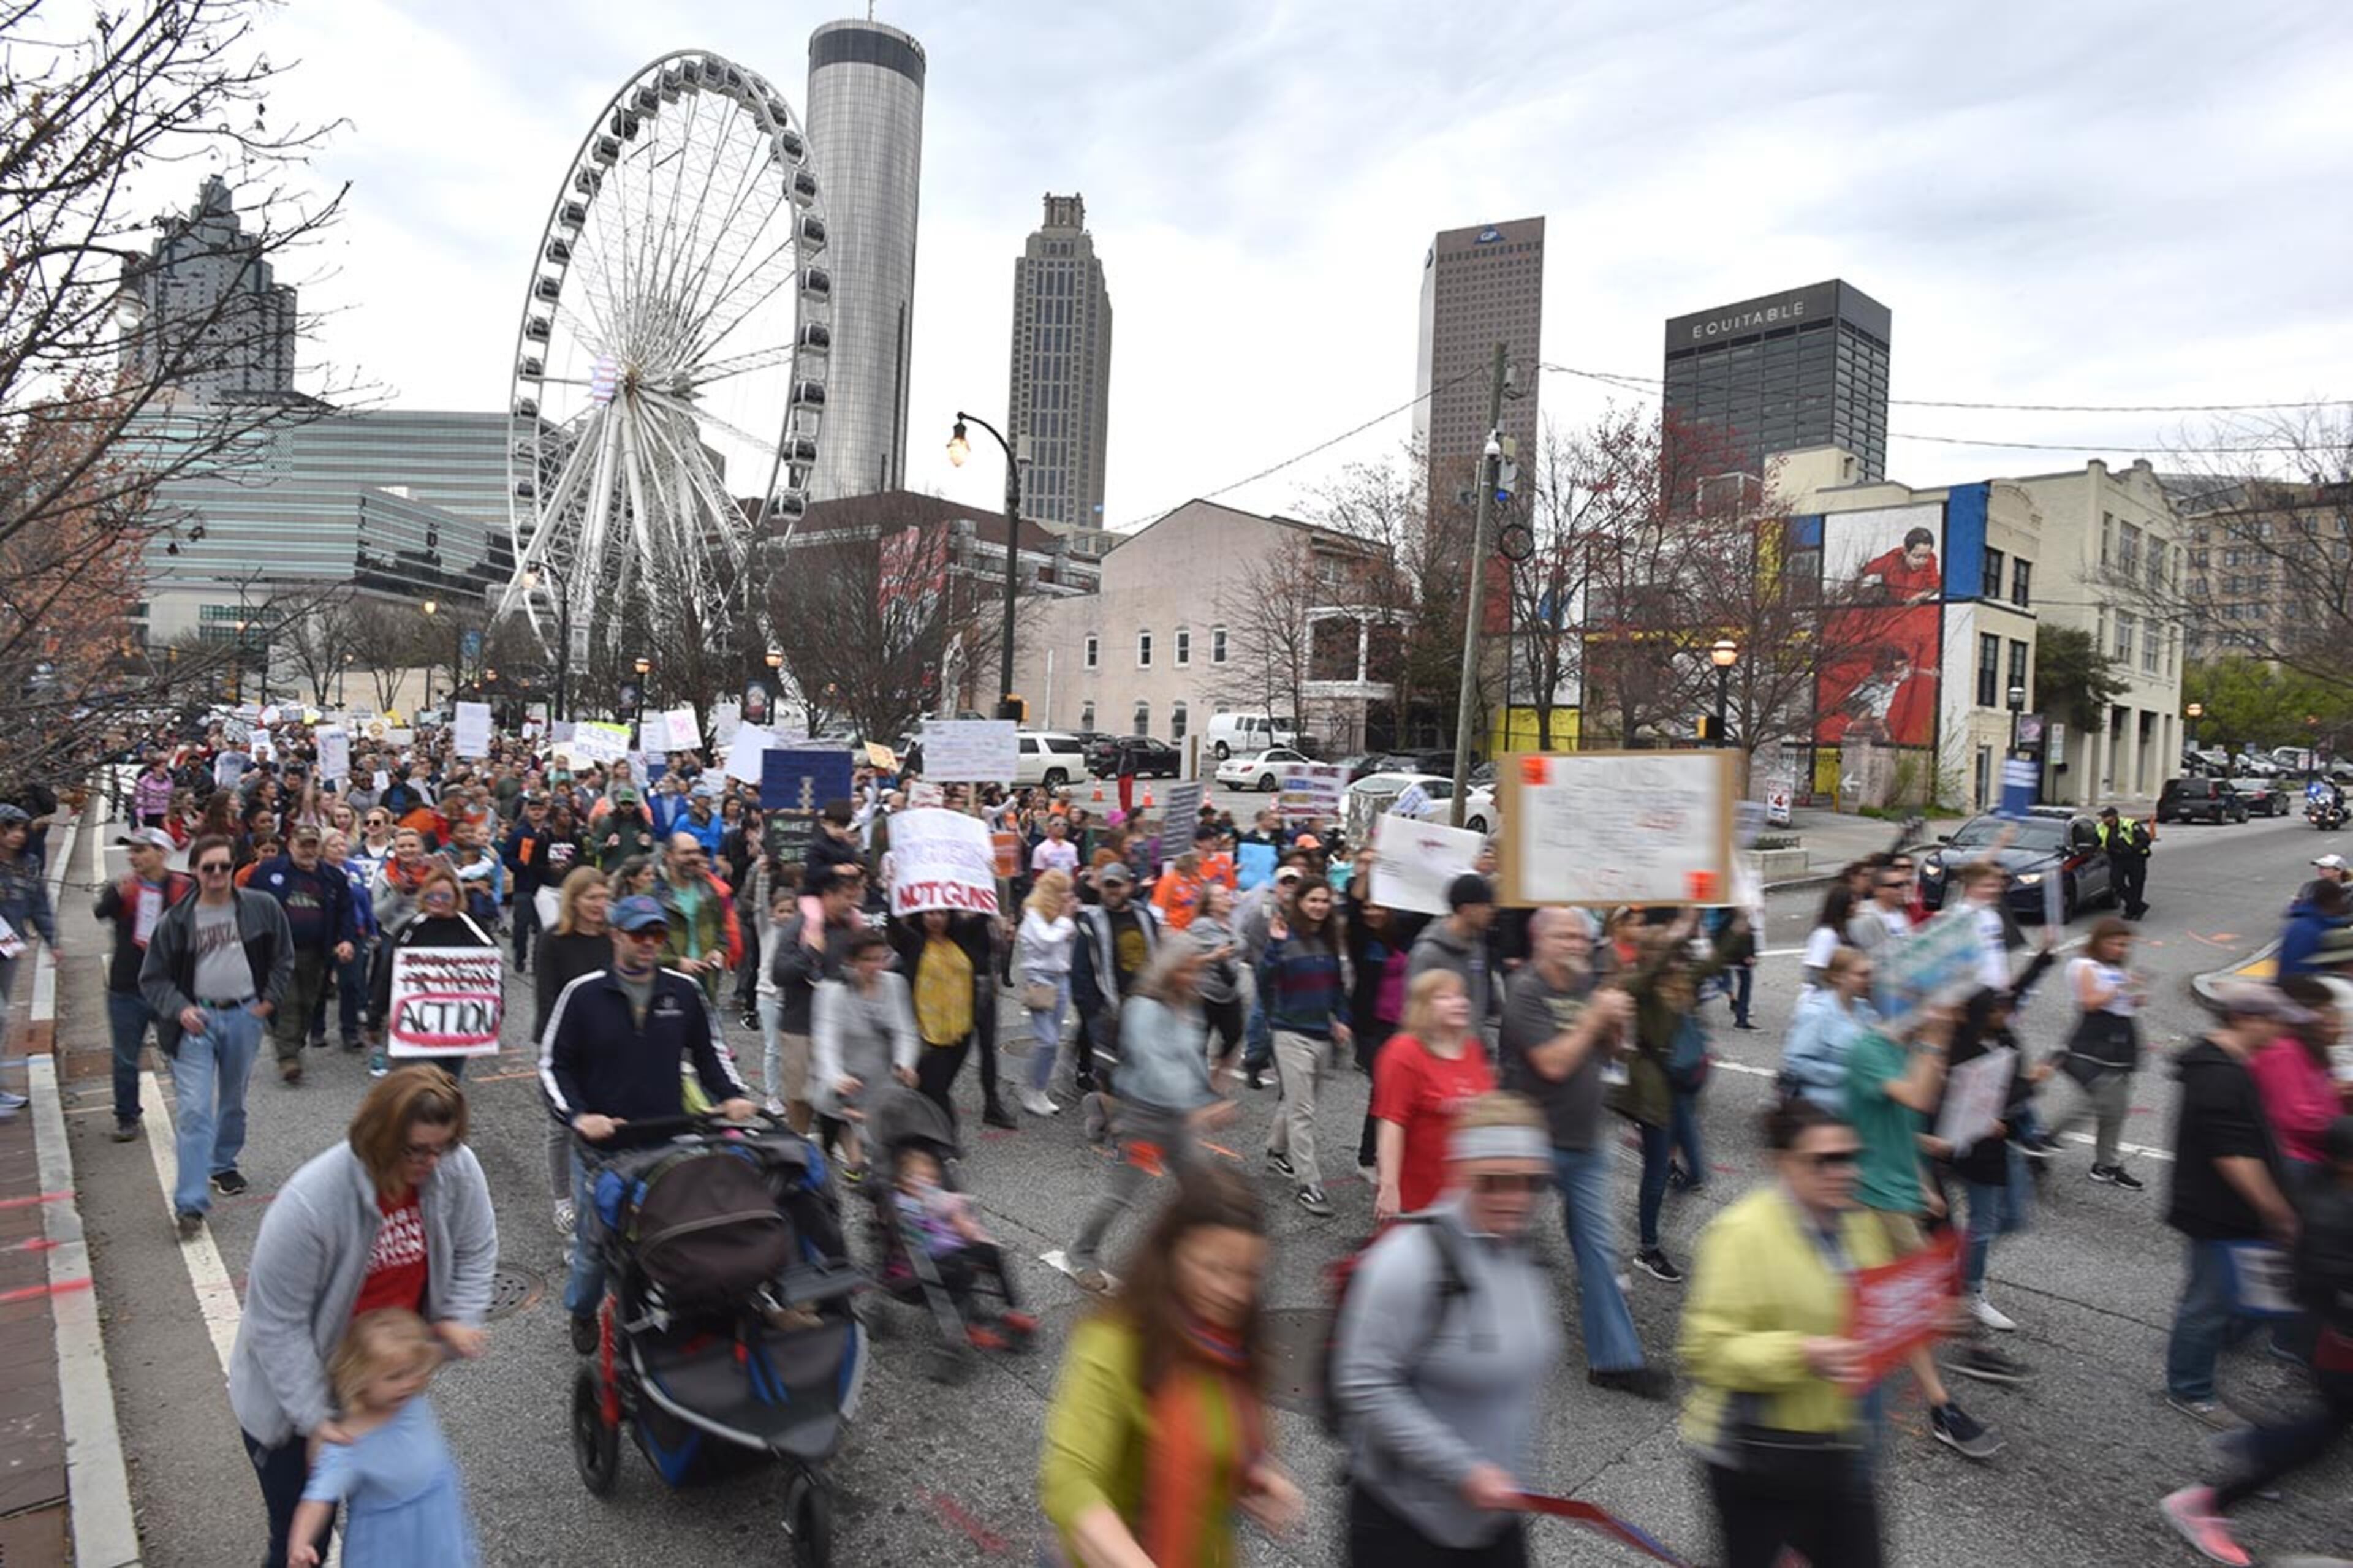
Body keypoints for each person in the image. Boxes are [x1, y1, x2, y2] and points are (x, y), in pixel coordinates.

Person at [229, 1068, 494, 1568]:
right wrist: (316, 1417)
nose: (429, 1162)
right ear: (379, 1136)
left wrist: (460, 1314)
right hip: (293, 1398)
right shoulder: (311, 1202)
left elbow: (477, 1247)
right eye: (415, 1150)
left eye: (441, 1147)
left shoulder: (453, 1168)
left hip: (380, 1381)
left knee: (396, 1521)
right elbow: (276, 1324)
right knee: (301, 1539)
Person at [1333, 1093, 1561, 1566]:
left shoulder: (1523, 1253)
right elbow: (1364, 1384)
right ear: (1461, 1171)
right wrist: (1464, 1470)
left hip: (1494, 1518)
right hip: (1405, 1526)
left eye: (1529, 1181)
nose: (1514, 1197)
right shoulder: (1410, 1261)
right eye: (1493, 1181)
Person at [1039, 1165, 1301, 1566]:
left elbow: (1228, 1432)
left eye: (1247, 1273)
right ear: (1172, 1255)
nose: (1233, 1290)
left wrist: (1258, 1472)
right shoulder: (1114, 1342)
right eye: (1215, 1268)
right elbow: (1068, 1481)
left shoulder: (1229, 1346)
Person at [540, 894, 757, 1353]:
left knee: (686, 1230)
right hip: (604, 1151)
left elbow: (711, 1054)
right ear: (615, 934)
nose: (649, 943)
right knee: (593, 1251)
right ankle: (582, 1308)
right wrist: (581, 1116)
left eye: (657, 934)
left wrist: (734, 1097)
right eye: (639, 933)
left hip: (668, 1142)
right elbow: (552, 1065)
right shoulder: (583, 994)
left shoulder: (683, 990)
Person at [1680, 1100, 1891, 1568]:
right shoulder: (1741, 1233)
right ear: (1781, 1163)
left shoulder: (1859, 1225)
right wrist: (1803, 1353)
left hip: (1843, 1449)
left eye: (1849, 1157)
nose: (1842, 1171)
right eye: (1824, 1160)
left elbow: (1877, 1309)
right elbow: (1706, 1350)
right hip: (1759, 1460)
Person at [2161, 1114, 2353, 1567]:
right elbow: (2329, 1284)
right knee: (2322, 1438)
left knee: (2326, 1434)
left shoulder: (2338, 1197)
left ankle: (2259, 1447)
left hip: (2334, 1342)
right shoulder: (2331, 1211)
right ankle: (2209, 1501)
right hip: (2339, 1346)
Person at [1496, 907, 1668, 1397]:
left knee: (1599, 1251)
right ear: (1539, 940)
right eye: (1565, 935)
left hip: (1585, 1141)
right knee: (1500, 1244)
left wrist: (1616, 1028)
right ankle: (1481, 1346)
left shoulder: (1586, 984)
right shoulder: (1526, 990)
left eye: (1581, 934)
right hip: (1531, 1141)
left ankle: (1614, 1359)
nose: (1576, 942)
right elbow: (1552, 1063)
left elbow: (1608, 1056)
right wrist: (1597, 1016)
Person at [1841, 1000, 2001, 1458]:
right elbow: (1914, 1096)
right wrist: (1936, 1034)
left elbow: (1906, 1118)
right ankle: (1940, 1406)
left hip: (1897, 1194)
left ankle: (1925, 1399)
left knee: (1887, 1298)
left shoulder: (1906, 1051)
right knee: (1901, 1300)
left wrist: (1925, 1170)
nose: (1941, 1012)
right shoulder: (1869, 1049)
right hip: (1867, 1197)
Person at [2163, 980, 2307, 1428]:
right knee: (2206, 1301)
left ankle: (2198, 1365)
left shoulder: (2228, 1063)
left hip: (2218, 1207)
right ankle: (2191, 1389)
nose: (2282, 1030)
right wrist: (2276, 1209)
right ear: (2247, 1018)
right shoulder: (2220, 1074)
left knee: (2212, 1296)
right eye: (2276, 1020)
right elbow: (2234, 1155)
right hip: (2216, 1210)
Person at [140, 834, 294, 1238]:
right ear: (194, 870)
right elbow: (152, 977)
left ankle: (223, 1162)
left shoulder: (261, 907)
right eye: (208, 867)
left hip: (244, 1014)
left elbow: (283, 956)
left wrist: (268, 1001)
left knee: (233, 1100)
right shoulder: (176, 921)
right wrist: (180, 1008)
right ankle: (190, 1204)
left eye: (224, 866)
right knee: (193, 1110)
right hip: (197, 1021)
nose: (216, 875)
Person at [1065, 944, 1233, 1293]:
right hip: (1142, 1116)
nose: (1192, 977)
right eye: (1185, 970)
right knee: (1118, 1194)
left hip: (1178, 1119)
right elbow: (1154, 1064)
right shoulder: (1144, 1008)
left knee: (1201, 1188)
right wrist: (1196, 1105)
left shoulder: (1189, 1007)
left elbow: (1192, 1061)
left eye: (1195, 970)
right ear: (1168, 972)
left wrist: (1207, 1099)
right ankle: (1081, 1253)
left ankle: (1198, 1260)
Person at [285, 1308, 480, 1568]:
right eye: (394, 1377)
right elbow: (317, 1500)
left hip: (437, 1521)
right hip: (390, 1543)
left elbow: (429, 1354)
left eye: (412, 1372)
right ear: (361, 1377)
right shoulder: (347, 1441)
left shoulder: (409, 1401)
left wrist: (450, 1330)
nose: (408, 1383)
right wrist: (300, 1543)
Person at [1260, 873, 1352, 1218]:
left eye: (1324, 900)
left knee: (1299, 1101)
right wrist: (1273, 947)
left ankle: (1275, 1151)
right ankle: (1308, 1185)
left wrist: (1342, 1019)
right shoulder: (1284, 938)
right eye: (1312, 900)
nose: (1319, 906)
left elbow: (1338, 990)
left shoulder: (1329, 942)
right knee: (1303, 1111)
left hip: (1321, 1035)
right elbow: (1263, 981)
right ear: (1300, 902)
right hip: (1290, 1034)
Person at [1372, 969, 1495, 1222]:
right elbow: (1392, 1122)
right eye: (1445, 997)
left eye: (1461, 996)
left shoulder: (1472, 1048)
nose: (1459, 1003)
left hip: (1468, 1200)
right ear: (1423, 1007)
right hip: (1420, 1201)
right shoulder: (1404, 1052)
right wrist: (1389, 1186)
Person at [94, 827, 192, 1141]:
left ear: (162, 853)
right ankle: (127, 1116)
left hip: (168, 988)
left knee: (181, 1054)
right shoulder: (125, 888)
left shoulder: (184, 888)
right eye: (131, 851)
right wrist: (117, 894)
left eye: (141, 850)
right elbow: (100, 913)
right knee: (125, 1057)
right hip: (126, 986)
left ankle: (193, 1112)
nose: (133, 857)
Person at [533, 866, 613, 1237]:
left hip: (607, 1043)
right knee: (561, 1126)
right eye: (592, 897)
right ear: (574, 900)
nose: (600, 904)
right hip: (564, 1043)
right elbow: (547, 998)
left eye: (604, 897)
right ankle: (563, 1200)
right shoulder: (553, 940)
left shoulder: (614, 938)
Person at [248, 824, 359, 1086]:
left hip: (317, 951)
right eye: (303, 845)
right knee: (289, 1001)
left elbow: (346, 911)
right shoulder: (269, 872)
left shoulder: (333, 877)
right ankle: (288, 1057)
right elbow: (249, 905)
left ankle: (292, 1043)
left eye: (313, 845)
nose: (308, 851)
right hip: (279, 951)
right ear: (291, 846)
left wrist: (346, 940)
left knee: (309, 1003)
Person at [368, 863, 495, 1083]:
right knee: (420, 1082)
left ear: (456, 898)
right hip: (418, 1026)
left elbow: (491, 971)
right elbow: (389, 973)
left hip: (458, 1024)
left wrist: (495, 1010)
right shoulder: (410, 929)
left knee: (450, 1081)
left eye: (444, 897)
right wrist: (375, 1016)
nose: (437, 901)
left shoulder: (474, 927)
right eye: (431, 896)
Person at [811, 928, 919, 1176]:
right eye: (868, 960)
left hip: (880, 1070)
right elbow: (826, 1039)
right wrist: (836, 1078)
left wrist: (905, 1064)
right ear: (852, 961)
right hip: (845, 1071)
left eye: (880, 958)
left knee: (882, 1133)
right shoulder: (833, 991)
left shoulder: (894, 984)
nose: (876, 966)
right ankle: (853, 1162)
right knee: (843, 1116)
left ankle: (871, 1169)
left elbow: (905, 1029)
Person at [893, 1149, 1030, 1344]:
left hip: (954, 1245)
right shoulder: (903, 1204)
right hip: (929, 1256)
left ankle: (1012, 1308)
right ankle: (969, 1323)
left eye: (932, 1178)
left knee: (992, 1253)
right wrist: (927, 1205)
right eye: (920, 1178)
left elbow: (952, 1209)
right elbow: (913, 1231)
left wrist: (962, 1219)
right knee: (959, 1270)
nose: (928, 1183)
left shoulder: (935, 1196)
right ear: (904, 1181)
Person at [2054, 917, 2148, 1189]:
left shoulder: (2111, 968)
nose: (2121, 950)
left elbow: (2116, 1002)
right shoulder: (2084, 965)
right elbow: (2090, 1003)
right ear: (2100, 941)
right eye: (2116, 943)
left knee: (2115, 1109)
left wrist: (2132, 998)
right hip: (2094, 1045)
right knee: (2101, 1102)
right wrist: (2120, 988)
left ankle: (2106, 1164)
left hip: (2120, 1043)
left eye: (2125, 945)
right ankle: (2046, 1139)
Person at [769, 864, 864, 1134]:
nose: (852, 902)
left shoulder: (854, 927)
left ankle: (848, 1157)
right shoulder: (800, 926)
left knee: (839, 1093)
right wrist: (810, 952)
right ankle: (797, 1149)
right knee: (800, 1098)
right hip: (801, 1026)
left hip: (840, 1027)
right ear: (827, 895)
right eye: (846, 896)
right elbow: (779, 973)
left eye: (854, 895)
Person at [891, 907, 1000, 1132]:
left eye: (942, 914)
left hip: (960, 1033)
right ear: (920, 916)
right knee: (936, 1090)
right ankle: (946, 1143)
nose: (936, 919)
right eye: (930, 914)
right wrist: (894, 890)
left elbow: (984, 913)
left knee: (937, 1090)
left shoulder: (959, 938)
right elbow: (892, 923)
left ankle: (921, 1136)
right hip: (927, 1036)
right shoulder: (913, 943)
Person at [1071, 861, 1159, 1114]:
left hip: (1143, 1005)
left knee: (1139, 1061)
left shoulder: (1144, 917)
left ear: (1129, 887)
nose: (1112, 891)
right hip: (1108, 1007)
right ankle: (1107, 1120)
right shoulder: (1091, 921)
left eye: (1117, 886)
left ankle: (1127, 1114)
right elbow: (1081, 970)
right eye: (1107, 885)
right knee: (1110, 1069)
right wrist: (1092, 1011)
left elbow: (1158, 953)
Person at [2252, 975, 2352, 1192]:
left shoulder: (2313, 1053)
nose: (2339, 1028)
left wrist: (2339, 1095)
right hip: (2298, 1163)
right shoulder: (2283, 1053)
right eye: (2329, 1019)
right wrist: (2342, 1129)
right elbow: (2296, 1117)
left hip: (2317, 1157)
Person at [0, 804, 61, 1107]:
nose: (16, 836)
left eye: (21, 829)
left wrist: (53, 941)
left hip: (9, 948)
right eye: (9, 829)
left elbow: (39, 905)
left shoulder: (29, 865)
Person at [1783, 947, 1879, 1112]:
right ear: (1837, 977)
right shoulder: (1816, 1012)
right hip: (1822, 1112)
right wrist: (1851, 1076)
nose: (1869, 981)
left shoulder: (1866, 1011)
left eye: (1870, 974)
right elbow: (1796, 1063)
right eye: (1861, 975)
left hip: (1857, 1112)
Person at [1016, 870, 1078, 1119]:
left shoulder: (1059, 917)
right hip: (1040, 980)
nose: (1069, 896)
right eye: (1064, 892)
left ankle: (1037, 1089)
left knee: (1052, 1042)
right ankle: (1032, 1089)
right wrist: (1066, 920)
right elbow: (1045, 941)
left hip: (1061, 979)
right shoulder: (1033, 915)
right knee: (1048, 1039)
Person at [1406, 874, 1497, 1043]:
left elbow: (1488, 1004)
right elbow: (1414, 1012)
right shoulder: (1427, 954)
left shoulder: (1478, 948)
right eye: (1486, 905)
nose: (1491, 911)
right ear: (1466, 909)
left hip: (1471, 1054)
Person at [1190, 881, 1249, 1083]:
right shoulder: (1202, 926)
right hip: (1204, 993)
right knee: (1198, 1043)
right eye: (1221, 896)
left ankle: (1216, 1073)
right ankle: (1193, 1088)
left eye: (1227, 894)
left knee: (1234, 1035)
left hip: (1229, 992)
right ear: (1209, 903)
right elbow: (1187, 957)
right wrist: (1214, 956)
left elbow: (1242, 947)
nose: (1227, 898)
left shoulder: (1233, 923)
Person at [499, 793, 556, 974]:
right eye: (533, 809)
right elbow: (507, 856)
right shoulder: (519, 833)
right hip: (524, 884)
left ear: (546, 811)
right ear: (527, 812)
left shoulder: (550, 833)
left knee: (542, 927)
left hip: (545, 886)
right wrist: (520, 866)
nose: (537, 813)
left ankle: (539, 961)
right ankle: (520, 957)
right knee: (521, 926)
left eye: (540, 809)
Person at [2278, 877, 2352, 979]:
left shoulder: (2299, 924)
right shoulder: (2322, 931)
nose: (2343, 904)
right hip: (2311, 990)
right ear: (2331, 901)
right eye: (2340, 900)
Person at [2098, 803, 2155, 921]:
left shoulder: (2129, 824)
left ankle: (2132, 911)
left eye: (2105, 817)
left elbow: (2145, 839)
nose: (2103, 819)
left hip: (2135, 859)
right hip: (2117, 860)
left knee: (2136, 885)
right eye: (2102, 817)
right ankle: (2139, 906)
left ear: (2114, 817)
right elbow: (2096, 841)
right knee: (2116, 883)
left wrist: (2133, 849)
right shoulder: (2101, 827)